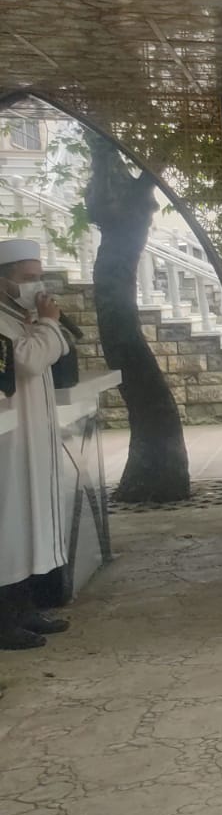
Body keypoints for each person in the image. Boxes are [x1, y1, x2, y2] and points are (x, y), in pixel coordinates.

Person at [0, 239, 73, 650]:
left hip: (32, 436)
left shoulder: (21, 318)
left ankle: (24, 607)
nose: (37, 285)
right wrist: (47, 323)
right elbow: (27, 360)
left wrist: (43, 324)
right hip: (9, 440)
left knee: (30, 522)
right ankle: (4, 620)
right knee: (10, 524)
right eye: (28, 278)